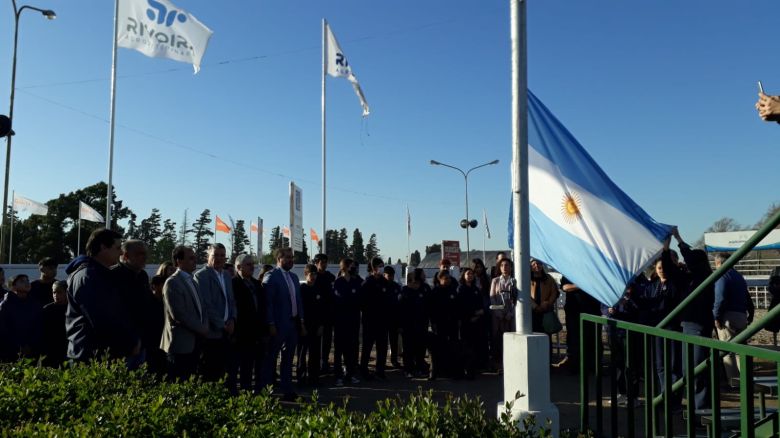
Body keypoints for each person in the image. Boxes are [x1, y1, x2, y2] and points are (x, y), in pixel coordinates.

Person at [66, 228, 139, 362]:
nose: (121, 253)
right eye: (117, 248)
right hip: (91, 356)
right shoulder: (88, 276)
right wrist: (128, 344)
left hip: (101, 353)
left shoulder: (100, 274)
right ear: (103, 247)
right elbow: (102, 318)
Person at [672, 227, 715, 409]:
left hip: (697, 326)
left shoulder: (704, 276)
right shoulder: (692, 277)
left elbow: (689, 256)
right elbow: (675, 267)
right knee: (688, 370)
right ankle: (696, 406)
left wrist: (678, 238)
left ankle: (701, 408)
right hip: (688, 326)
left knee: (697, 369)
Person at [261, 247, 305, 401]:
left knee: (287, 359)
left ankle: (287, 390)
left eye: (292, 257)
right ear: (278, 259)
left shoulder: (293, 277)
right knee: (270, 359)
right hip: (278, 326)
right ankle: (266, 392)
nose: (290, 260)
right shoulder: (271, 276)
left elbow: (298, 301)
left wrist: (301, 321)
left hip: (292, 325)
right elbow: (268, 304)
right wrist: (271, 323)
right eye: (287, 257)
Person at [161, 246, 208, 381]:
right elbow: (179, 314)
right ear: (178, 261)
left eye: (195, 257)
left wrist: (204, 326)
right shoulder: (173, 282)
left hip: (195, 342)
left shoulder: (192, 281)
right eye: (190, 258)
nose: (195, 261)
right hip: (181, 344)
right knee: (179, 381)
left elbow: (202, 308)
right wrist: (202, 329)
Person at [194, 243, 237, 383]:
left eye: (222, 256)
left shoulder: (226, 275)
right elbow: (207, 305)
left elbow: (231, 300)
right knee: (209, 372)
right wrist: (222, 324)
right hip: (212, 332)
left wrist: (233, 320)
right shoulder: (201, 276)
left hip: (227, 331)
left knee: (223, 370)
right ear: (208, 257)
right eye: (215, 255)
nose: (219, 258)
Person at [713, 252, 755, 384]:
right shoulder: (739, 276)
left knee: (727, 351)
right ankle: (745, 380)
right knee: (740, 350)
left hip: (727, 317)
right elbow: (748, 297)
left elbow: (720, 298)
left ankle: (734, 383)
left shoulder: (722, 276)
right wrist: (751, 313)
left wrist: (716, 316)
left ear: (719, 263)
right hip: (742, 315)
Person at [112, 239, 154, 370]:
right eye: (139, 253)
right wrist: (130, 341)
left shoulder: (142, 275)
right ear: (125, 256)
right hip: (122, 345)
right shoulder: (113, 276)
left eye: (145, 253)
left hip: (143, 342)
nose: (144, 257)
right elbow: (115, 314)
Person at [232, 253, 267, 393]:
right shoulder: (233, 284)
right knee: (245, 367)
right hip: (242, 333)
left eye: (252, 264)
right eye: (248, 264)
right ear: (239, 267)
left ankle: (259, 393)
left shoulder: (257, 284)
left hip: (258, 333)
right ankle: (245, 395)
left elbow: (263, 308)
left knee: (259, 366)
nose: (252, 267)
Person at [557, 277, 601, 374]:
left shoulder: (593, 272)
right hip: (574, 311)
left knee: (593, 340)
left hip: (593, 311)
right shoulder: (569, 272)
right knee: (574, 339)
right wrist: (584, 284)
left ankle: (594, 367)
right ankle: (575, 367)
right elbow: (565, 287)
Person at [359, 257, 393, 380]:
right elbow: (362, 304)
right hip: (370, 322)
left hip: (383, 322)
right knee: (367, 347)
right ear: (374, 268)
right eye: (380, 266)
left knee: (382, 348)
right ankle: (364, 370)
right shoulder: (367, 283)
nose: (382, 268)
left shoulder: (385, 283)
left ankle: (380, 370)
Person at [332, 258, 362, 386]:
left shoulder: (356, 282)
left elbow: (360, 300)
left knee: (352, 349)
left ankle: (350, 374)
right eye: (351, 266)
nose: (353, 268)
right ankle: (338, 376)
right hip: (340, 322)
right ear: (344, 267)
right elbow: (338, 300)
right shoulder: (338, 283)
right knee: (339, 350)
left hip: (354, 321)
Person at [0, 274, 43, 361]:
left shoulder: (35, 304)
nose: (27, 283)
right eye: (22, 281)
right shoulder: (5, 305)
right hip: (10, 351)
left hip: (32, 350)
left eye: (27, 280)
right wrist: (19, 346)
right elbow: (3, 330)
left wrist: (31, 344)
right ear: (13, 286)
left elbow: (39, 326)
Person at [429, 269, 460, 380]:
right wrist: (433, 323)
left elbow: (457, 307)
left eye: (449, 278)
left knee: (452, 347)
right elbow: (431, 310)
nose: (448, 280)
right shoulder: (435, 292)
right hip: (440, 324)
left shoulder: (453, 290)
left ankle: (452, 371)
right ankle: (435, 372)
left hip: (452, 324)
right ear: (440, 279)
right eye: (445, 279)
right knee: (438, 349)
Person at [399, 268, 429, 378]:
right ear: (410, 282)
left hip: (421, 325)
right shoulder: (404, 292)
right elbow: (400, 311)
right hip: (408, 326)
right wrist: (400, 325)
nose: (417, 285)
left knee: (420, 349)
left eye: (418, 283)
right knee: (408, 349)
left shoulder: (421, 291)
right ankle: (408, 369)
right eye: (414, 282)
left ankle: (419, 368)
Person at [298, 264, 324, 386]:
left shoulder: (319, 289)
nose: (313, 277)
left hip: (316, 327)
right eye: (310, 274)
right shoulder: (302, 289)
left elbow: (322, 310)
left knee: (315, 353)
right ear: (306, 274)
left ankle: (314, 378)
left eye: (314, 274)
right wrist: (301, 326)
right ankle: (301, 378)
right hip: (304, 327)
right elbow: (299, 309)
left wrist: (321, 325)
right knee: (302, 353)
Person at [457, 267, 484, 379]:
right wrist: (471, 315)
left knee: (475, 345)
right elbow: (461, 307)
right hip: (465, 322)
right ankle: (465, 369)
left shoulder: (476, 289)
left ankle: (474, 369)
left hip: (476, 322)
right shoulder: (460, 289)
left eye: (472, 274)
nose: (470, 276)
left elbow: (480, 304)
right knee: (466, 346)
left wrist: (478, 314)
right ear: (463, 276)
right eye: (468, 274)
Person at [489, 257, 516, 370]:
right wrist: (499, 312)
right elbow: (492, 298)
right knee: (497, 338)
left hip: (510, 315)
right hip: (497, 315)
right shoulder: (495, 281)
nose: (505, 267)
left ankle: (510, 363)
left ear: (511, 267)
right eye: (502, 265)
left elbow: (517, 299)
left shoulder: (514, 281)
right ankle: (498, 363)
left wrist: (510, 313)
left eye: (507, 265)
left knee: (510, 338)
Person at [312, 254, 336, 374]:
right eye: (322, 262)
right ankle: (316, 366)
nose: (324, 264)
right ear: (316, 263)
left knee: (327, 341)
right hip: (317, 315)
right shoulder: (313, 277)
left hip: (328, 314)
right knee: (316, 342)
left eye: (326, 262)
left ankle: (324, 363)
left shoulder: (330, 276)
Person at [41, 281, 68, 367]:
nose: (56, 295)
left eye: (59, 292)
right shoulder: (47, 309)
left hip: (66, 348)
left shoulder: (72, 309)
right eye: (54, 292)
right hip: (50, 349)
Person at [146, 275, 167, 375]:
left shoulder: (165, 302)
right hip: (152, 341)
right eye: (163, 285)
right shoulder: (149, 302)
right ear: (154, 286)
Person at [384, 265, 403, 369]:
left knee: (394, 341)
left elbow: (399, 304)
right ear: (384, 275)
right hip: (383, 318)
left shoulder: (396, 287)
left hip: (394, 318)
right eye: (388, 275)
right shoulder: (381, 285)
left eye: (392, 275)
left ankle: (394, 360)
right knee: (382, 342)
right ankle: (381, 361)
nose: (390, 277)